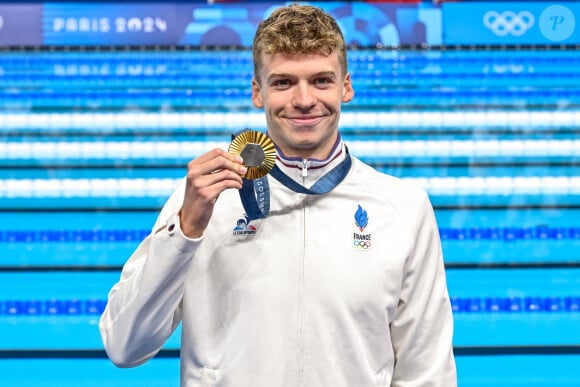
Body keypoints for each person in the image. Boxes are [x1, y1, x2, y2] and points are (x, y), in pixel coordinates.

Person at [99, 4, 457, 386]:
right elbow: (125, 346)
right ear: (258, 91)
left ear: (346, 87)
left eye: (321, 80)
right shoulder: (204, 203)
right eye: (283, 82)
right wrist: (185, 231)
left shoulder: (402, 208)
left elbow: (427, 370)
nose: (304, 100)